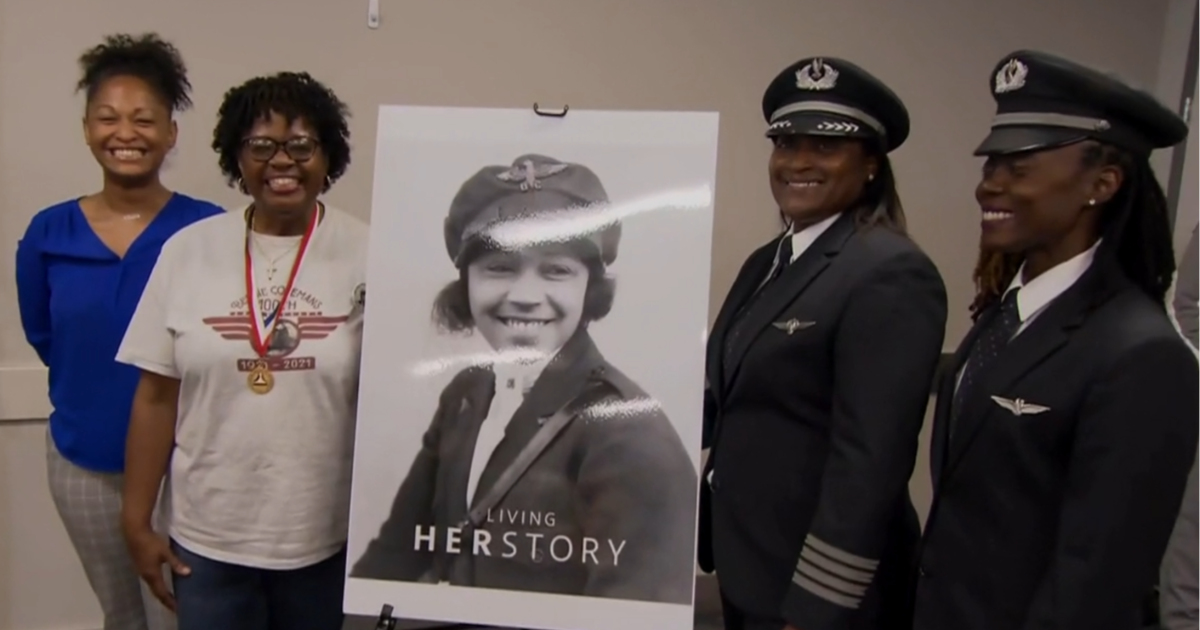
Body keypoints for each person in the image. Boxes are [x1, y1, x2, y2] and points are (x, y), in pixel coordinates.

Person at [912, 49, 1200, 630]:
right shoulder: (1006, 313)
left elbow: (1095, 580)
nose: (989, 186)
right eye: (990, 165)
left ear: (1103, 182)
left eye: (1019, 167)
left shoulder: (1143, 355)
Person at [349, 153, 699, 605]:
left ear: (588, 287)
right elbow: (393, 557)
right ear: (467, 281)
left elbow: (637, 614)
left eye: (556, 270)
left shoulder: (628, 430)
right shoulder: (467, 393)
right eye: (500, 267)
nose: (526, 296)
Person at [700, 57, 948, 630]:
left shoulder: (890, 272)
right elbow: (729, 399)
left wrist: (818, 606)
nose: (799, 162)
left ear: (870, 166)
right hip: (753, 565)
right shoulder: (768, 262)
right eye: (786, 143)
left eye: (826, 147)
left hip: (815, 594)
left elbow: (870, 462)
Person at [115, 71, 368, 630]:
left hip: (323, 539)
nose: (283, 161)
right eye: (261, 146)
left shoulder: (369, 253)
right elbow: (156, 395)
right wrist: (137, 522)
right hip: (206, 542)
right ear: (237, 158)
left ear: (328, 156)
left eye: (301, 145)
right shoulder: (188, 251)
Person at [14, 32, 223, 630]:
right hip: (84, 463)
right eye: (108, 118)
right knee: (123, 617)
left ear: (171, 133)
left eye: (143, 119)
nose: (124, 133)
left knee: (185, 616)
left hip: (187, 468)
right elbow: (44, 336)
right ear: (86, 129)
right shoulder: (49, 233)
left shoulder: (206, 231)